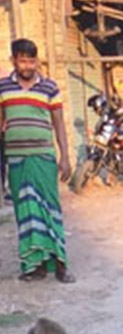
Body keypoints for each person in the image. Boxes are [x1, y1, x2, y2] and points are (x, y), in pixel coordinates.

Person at [0, 39, 73, 282]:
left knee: (50, 207)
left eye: (31, 60)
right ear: (14, 61)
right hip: (16, 158)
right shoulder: (2, 88)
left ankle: (60, 264)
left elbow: (59, 124)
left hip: (44, 156)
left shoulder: (50, 88)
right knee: (26, 210)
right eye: (22, 60)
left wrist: (65, 157)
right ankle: (34, 265)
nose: (28, 65)